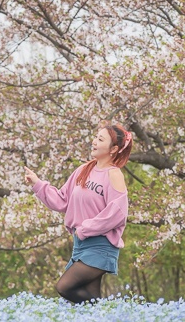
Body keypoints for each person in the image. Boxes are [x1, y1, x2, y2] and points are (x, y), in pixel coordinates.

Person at [24, 123, 132, 303]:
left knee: (64, 287)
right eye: (96, 137)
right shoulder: (84, 170)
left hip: (100, 245)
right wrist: (37, 183)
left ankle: (108, 315)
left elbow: (117, 213)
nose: (94, 142)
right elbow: (61, 200)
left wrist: (85, 229)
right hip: (80, 244)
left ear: (113, 149)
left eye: (100, 139)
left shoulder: (114, 174)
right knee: (88, 300)